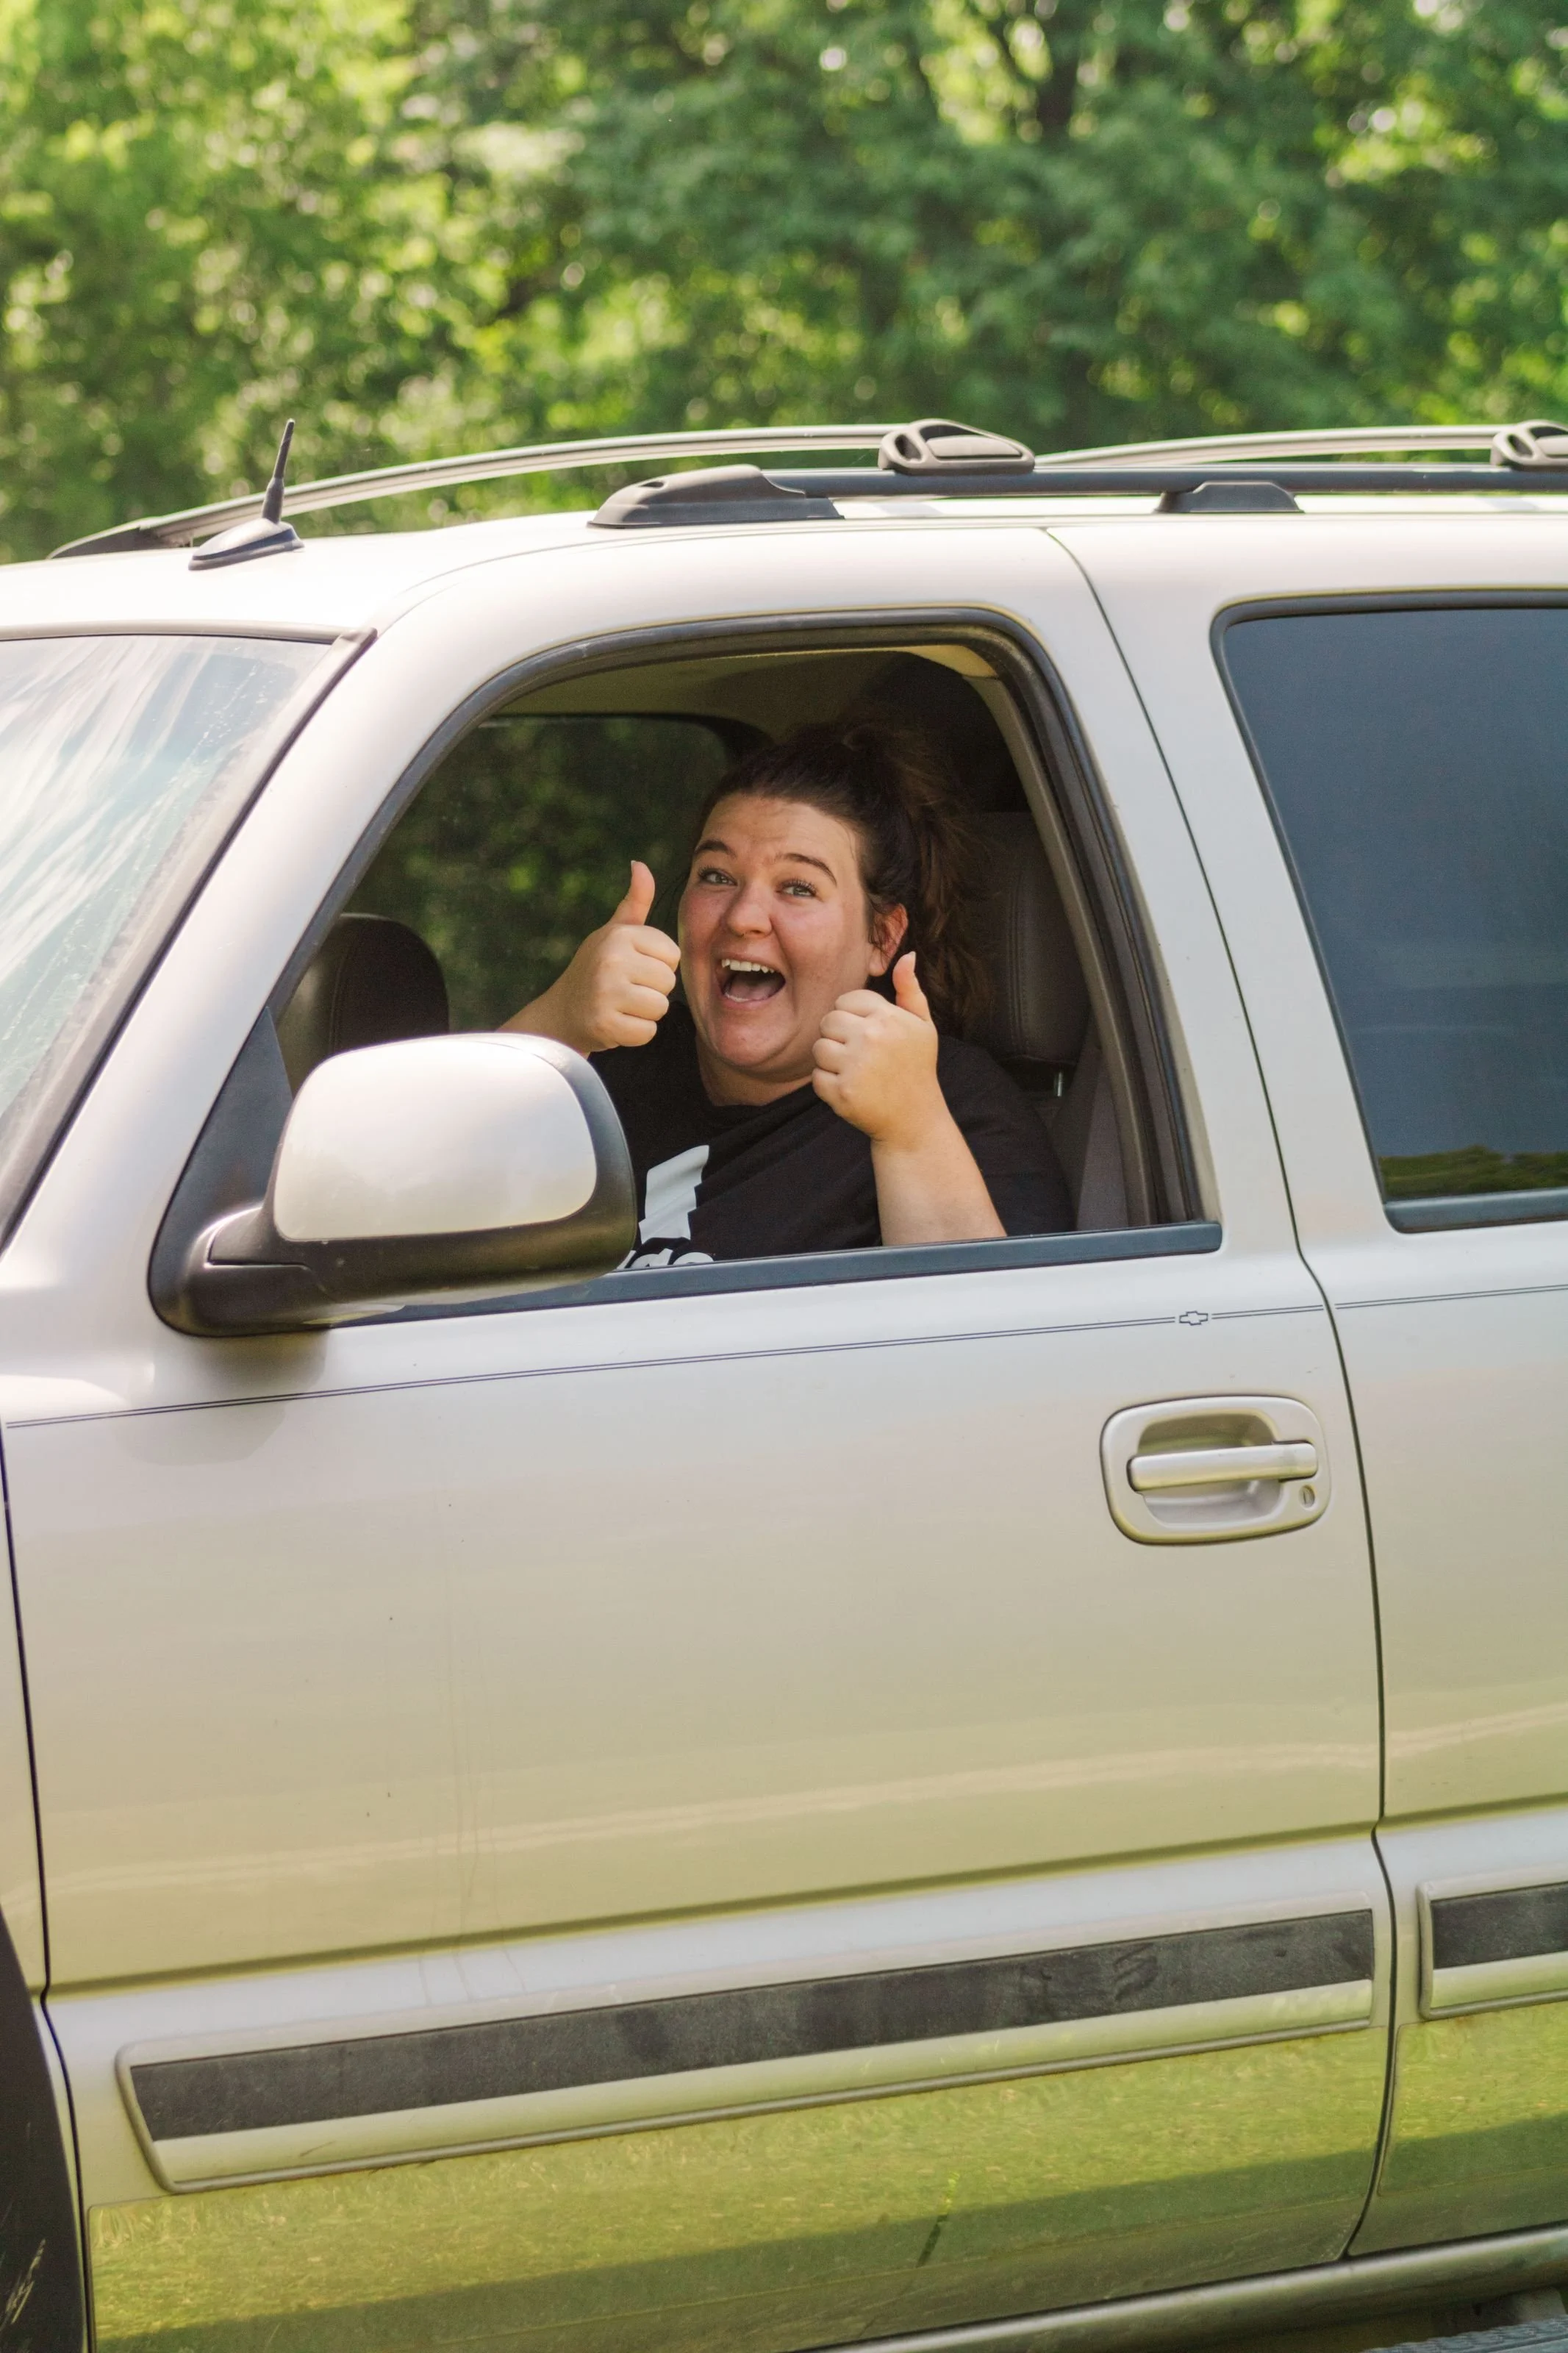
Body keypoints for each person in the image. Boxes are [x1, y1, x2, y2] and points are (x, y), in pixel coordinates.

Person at [504, 720, 1072, 1265]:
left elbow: (984, 1347)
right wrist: (553, 1026)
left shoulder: (950, 1104)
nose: (744, 916)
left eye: (798, 888)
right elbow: (422, 1191)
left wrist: (911, 1132)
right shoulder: (607, 1068)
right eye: (716, 876)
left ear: (882, 937)